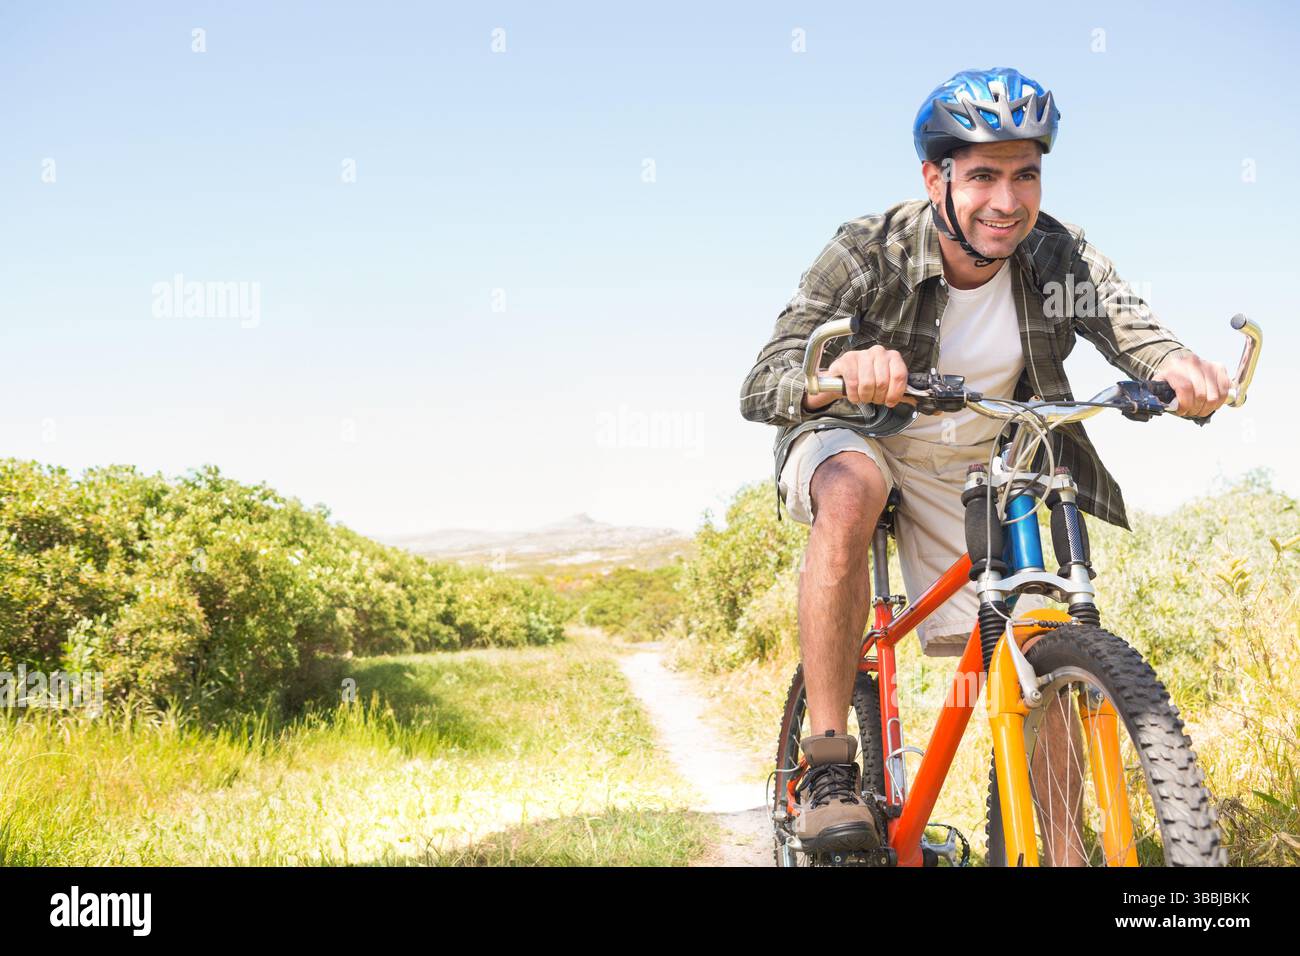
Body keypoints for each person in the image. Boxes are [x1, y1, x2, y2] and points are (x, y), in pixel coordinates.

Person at [739, 68, 1232, 858]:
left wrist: (1177, 366)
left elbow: (1131, 327)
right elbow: (763, 383)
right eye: (982, 176)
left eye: (1025, 174)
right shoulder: (867, 250)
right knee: (853, 486)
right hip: (859, 435)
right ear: (934, 178)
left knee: (1042, 625)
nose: (1007, 201)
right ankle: (830, 765)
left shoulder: (1054, 253)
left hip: (981, 455)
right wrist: (840, 373)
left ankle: (1063, 848)